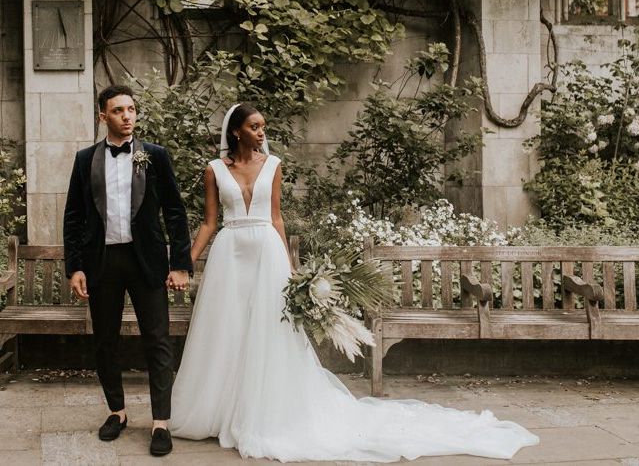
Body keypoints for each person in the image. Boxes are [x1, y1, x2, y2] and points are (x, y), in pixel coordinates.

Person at [169, 103, 539, 461]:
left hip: (267, 255)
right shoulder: (215, 169)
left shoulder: (274, 165)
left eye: (263, 126)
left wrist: (290, 267)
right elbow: (209, 222)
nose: (262, 132)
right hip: (229, 256)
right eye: (254, 127)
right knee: (228, 332)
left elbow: (278, 219)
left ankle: (263, 410)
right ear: (236, 131)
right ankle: (221, 411)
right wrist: (184, 264)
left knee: (269, 333)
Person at [63, 85, 193, 457]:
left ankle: (160, 423)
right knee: (105, 340)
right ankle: (117, 413)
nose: (127, 116)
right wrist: (75, 267)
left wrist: (180, 264)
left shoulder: (155, 156)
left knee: (158, 339)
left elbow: (175, 212)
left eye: (131, 109)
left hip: (146, 261)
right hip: (102, 262)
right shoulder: (85, 159)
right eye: (118, 110)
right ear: (103, 116)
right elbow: (73, 217)